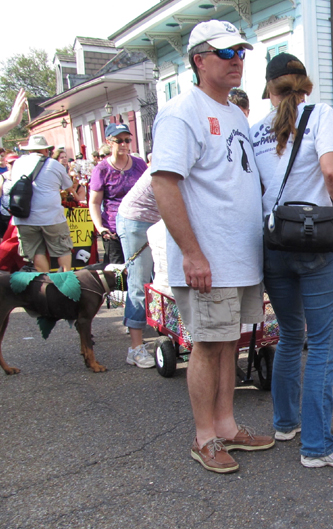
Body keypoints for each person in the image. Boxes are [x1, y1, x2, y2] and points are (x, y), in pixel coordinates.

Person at [152, 20, 274, 474]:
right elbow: (164, 184)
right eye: (226, 53)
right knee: (207, 345)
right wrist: (192, 253)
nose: (236, 60)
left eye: (240, 52)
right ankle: (204, 437)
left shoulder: (234, 113)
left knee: (228, 344)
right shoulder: (181, 112)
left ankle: (226, 426)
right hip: (209, 258)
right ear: (199, 60)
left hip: (238, 258)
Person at [251, 51, 333, 468]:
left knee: (289, 335)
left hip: (274, 243)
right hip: (316, 243)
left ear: (269, 89)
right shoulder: (320, 115)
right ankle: (318, 446)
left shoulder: (255, 130)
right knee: (321, 344)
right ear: (306, 86)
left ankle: (286, 424)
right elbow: (332, 172)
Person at [8, 135, 76, 272]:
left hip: (25, 216)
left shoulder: (18, 163)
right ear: (46, 150)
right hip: (51, 216)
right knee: (62, 250)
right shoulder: (54, 164)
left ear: (29, 150)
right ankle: (66, 279)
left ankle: (46, 281)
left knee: (36, 252)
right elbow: (68, 186)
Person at [116, 166, 160, 369]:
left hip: (159, 219)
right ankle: (135, 349)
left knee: (162, 282)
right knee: (139, 283)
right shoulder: (170, 160)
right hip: (137, 220)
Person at [89, 123, 148, 264]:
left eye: (127, 140)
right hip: (113, 230)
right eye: (119, 141)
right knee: (119, 271)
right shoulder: (102, 169)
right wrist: (100, 228)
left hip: (139, 226)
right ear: (109, 142)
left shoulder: (139, 164)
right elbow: (95, 202)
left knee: (142, 268)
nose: (124, 144)